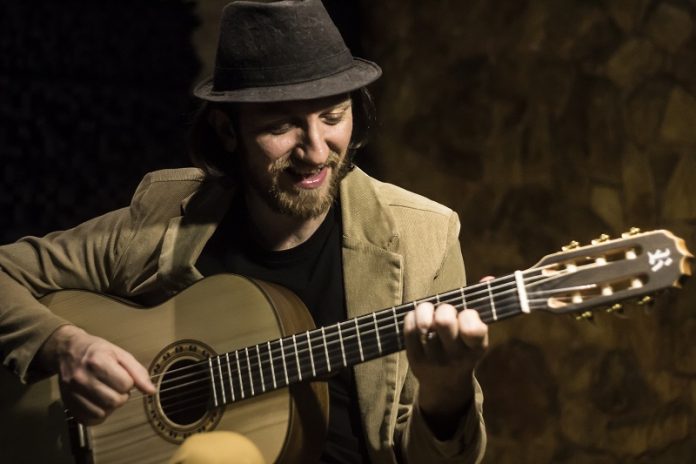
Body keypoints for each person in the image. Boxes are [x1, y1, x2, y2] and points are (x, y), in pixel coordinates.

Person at [0, 1, 488, 462]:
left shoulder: (426, 236)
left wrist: (447, 393)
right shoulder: (165, 213)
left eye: (333, 117)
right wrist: (65, 345)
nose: (316, 151)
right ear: (228, 130)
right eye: (282, 126)